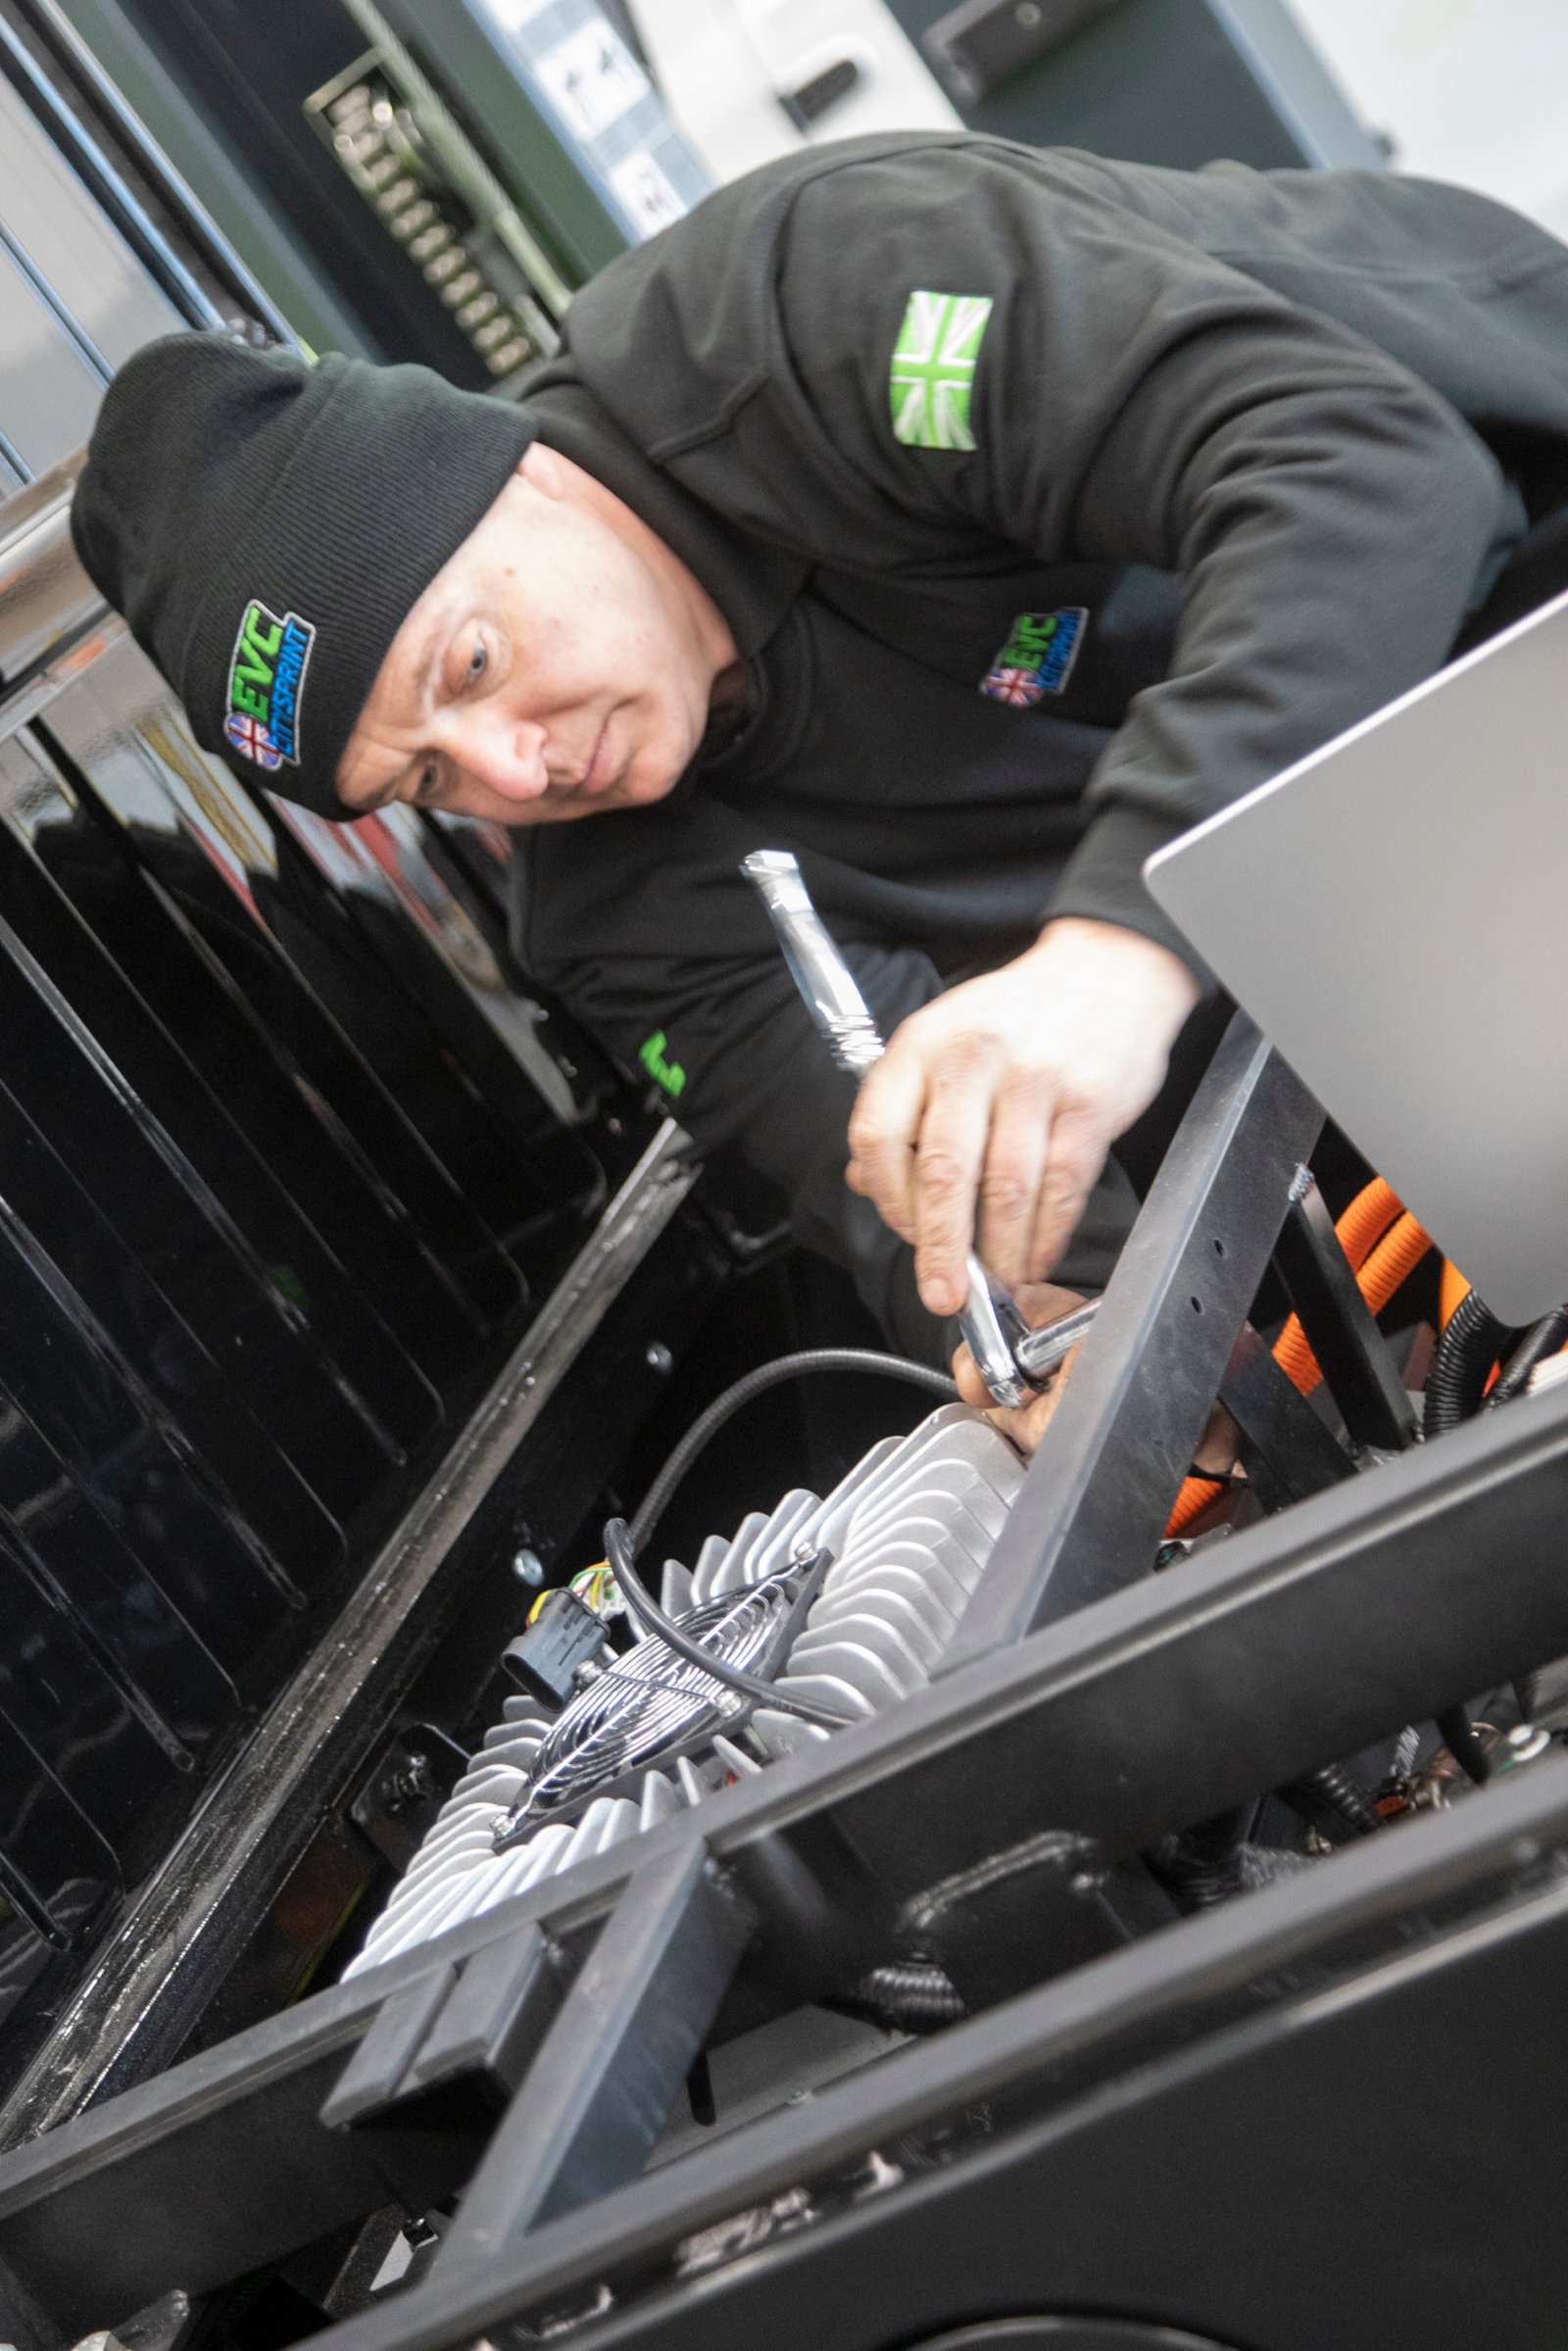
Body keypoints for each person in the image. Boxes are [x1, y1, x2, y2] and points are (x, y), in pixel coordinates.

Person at [72, 132, 1568, 1438]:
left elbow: (1367, 467)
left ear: (513, 467)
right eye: (427, 779)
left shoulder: (808, 307)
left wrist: (1111, 956)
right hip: (1406, 1027)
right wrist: (1088, 1360)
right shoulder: (614, 915)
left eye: (467, 668)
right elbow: (955, 1235)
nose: (518, 768)